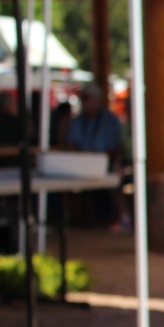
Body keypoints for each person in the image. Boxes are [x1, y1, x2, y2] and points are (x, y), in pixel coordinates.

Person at [66, 82, 126, 230]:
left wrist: (100, 159)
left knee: (115, 181)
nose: (85, 103)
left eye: (87, 98)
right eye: (83, 98)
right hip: (81, 164)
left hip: (106, 162)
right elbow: (71, 144)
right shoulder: (78, 121)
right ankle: (79, 218)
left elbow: (116, 147)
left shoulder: (110, 121)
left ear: (97, 100)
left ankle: (121, 217)